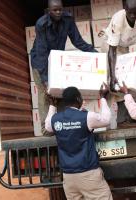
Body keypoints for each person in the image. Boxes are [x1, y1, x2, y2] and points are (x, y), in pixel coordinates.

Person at [31, 0, 97, 136]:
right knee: (46, 93)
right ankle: (46, 129)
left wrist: (95, 54)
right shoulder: (41, 24)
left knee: (60, 93)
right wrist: (45, 79)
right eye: (55, 10)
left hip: (56, 61)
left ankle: (60, 124)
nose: (58, 13)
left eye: (60, 9)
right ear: (49, 11)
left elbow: (77, 41)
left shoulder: (68, 20)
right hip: (40, 61)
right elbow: (42, 52)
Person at [44, 83, 113, 200]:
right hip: (88, 174)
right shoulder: (86, 117)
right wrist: (103, 97)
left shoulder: (54, 120)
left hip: (69, 177)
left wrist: (52, 105)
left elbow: (47, 126)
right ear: (78, 99)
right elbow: (106, 120)